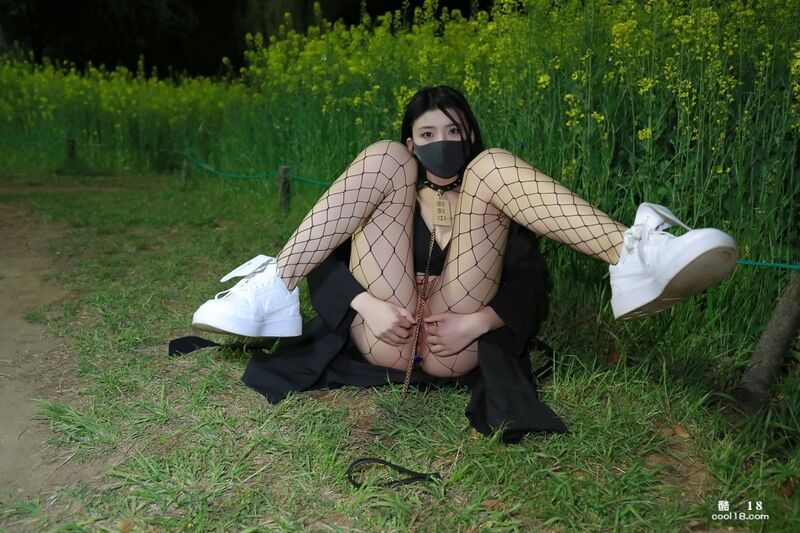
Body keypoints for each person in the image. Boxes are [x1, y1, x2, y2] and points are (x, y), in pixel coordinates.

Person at [186, 86, 737, 442]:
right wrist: (367, 305)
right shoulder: (390, 181)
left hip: (458, 338)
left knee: (493, 168)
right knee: (379, 157)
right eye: (428, 135)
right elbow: (329, 259)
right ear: (413, 142)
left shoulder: (497, 197)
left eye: (454, 132)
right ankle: (275, 282)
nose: (442, 143)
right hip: (385, 329)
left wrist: (479, 322)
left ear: (468, 134)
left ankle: (635, 255)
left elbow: (528, 281)